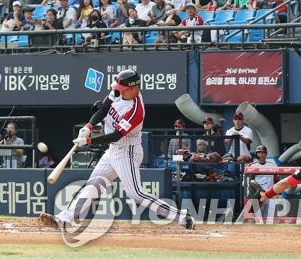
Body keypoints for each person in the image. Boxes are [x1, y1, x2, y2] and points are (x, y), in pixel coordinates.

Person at [40, 69, 195, 231]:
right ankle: (65, 218)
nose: (117, 90)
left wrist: (88, 140)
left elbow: (115, 136)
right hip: (113, 151)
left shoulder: (136, 110)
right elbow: (103, 109)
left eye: (122, 89)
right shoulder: (118, 90)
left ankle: (182, 216)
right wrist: (88, 126)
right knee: (93, 185)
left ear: (134, 88)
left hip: (127, 151)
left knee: (136, 194)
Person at [251, 145, 276, 218]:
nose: (261, 154)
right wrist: (257, 191)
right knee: (258, 219)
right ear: (256, 154)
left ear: (266, 154)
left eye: (263, 153)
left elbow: (276, 180)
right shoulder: (252, 166)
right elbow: (246, 182)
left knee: (271, 218)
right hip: (258, 195)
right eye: (259, 153)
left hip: (270, 193)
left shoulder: (272, 165)